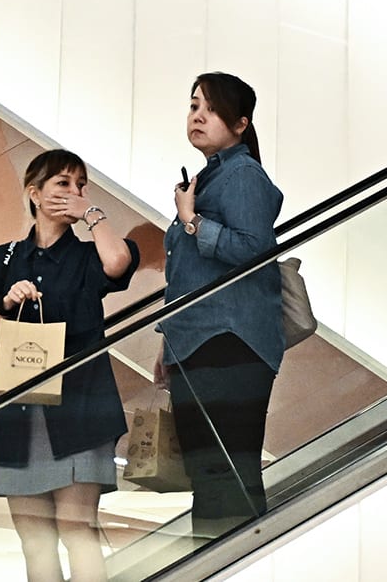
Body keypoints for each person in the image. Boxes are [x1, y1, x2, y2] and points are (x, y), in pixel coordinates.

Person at [0, 149, 139, 582]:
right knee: (35, 544)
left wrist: (92, 214)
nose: (74, 192)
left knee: (79, 532)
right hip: (20, 415)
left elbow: (118, 263)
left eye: (81, 185)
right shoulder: (3, 259)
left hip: (80, 409)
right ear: (34, 194)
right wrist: (6, 303)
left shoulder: (84, 255)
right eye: (63, 183)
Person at [161, 72, 286, 536]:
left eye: (209, 109)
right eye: (193, 105)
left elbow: (255, 251)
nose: (197, 116)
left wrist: (192, 222)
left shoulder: (243, 175)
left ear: (240, 123)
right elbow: (187, 276)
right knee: (210, 473)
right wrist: (169, 345)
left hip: (230, 341)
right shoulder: (211, 176)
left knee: (225, 471)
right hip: (199, 342)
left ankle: (233, 561)